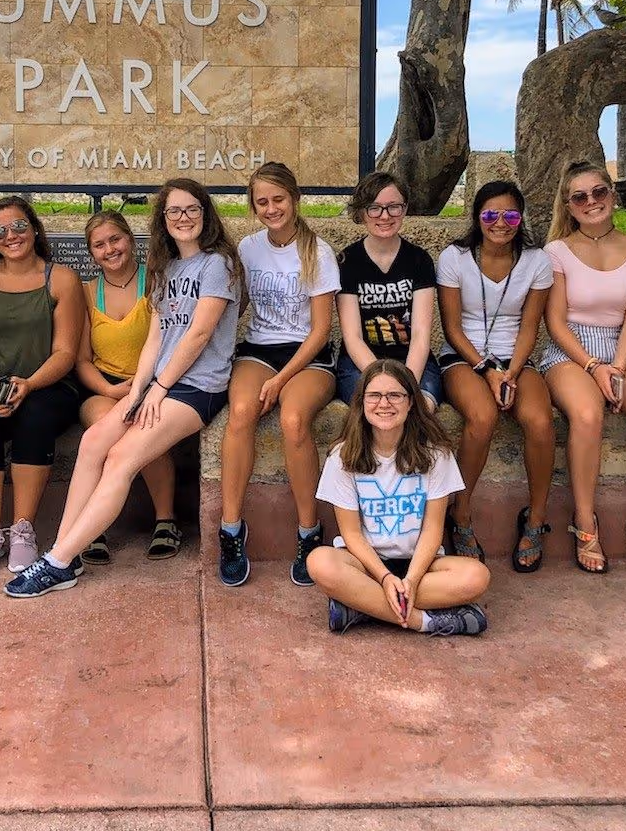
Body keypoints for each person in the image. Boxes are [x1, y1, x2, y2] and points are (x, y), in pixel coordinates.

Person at [3, 180, 240, 598]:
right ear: (163, 221)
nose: (182, 219)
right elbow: (156, 338)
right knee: (94, 440)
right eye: (173, 212)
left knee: (121, 458)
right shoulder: (167, 269)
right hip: (159, 385)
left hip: (196, 388)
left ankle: (55, 563)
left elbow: (199, 334)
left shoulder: (216, 264)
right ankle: (68, 551)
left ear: (205, 213)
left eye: (191, 210)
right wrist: (136, 393)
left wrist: (160, 387)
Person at [539, 161, 626, 575]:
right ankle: (584, 520)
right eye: (580, 196)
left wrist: (616, 365)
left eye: (599, 192)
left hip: (621, 348)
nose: (591, 202)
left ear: (613, 195)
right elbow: (555, 322)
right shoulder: (557, 252)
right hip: (571, 350)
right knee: (586, 414)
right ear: (569, 204)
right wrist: (594, 366)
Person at [219, 162, 341, 589]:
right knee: (239, 412)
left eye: (278, 199)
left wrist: (282, 379)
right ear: (253, 207)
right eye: (262, 202)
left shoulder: (318, 252)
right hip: (258, 349)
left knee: (292, 420)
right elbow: (238, 306)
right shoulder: (248, 249)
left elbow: (322, 329)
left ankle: (309, 533)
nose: (272, 208)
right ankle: (231, 529)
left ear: (295, 199)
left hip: (309, 356)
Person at [304, 360, 490, 635]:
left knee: (477, 577)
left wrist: (412, 580)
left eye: (395, 395)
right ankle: (425, 622)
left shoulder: (437, 455)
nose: (384, 404)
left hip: (421, 566)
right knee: (319, 563)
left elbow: (432, 530)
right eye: (375, 396)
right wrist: (385, 577)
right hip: (367, 565)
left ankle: (360, 606)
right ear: (362, 402)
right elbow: (352, 534)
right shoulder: (342, 456)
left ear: (411, 402)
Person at [0, 198, 84, 577]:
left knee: (34, 415)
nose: (10, 236)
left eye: (18, 227)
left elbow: (65, 351)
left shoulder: (60, 278)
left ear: (34, 229)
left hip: (48, 384)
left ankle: (23, 530)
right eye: (0, 230)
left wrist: (28, 384)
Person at [436, 180, 557, 571]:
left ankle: (536, 519)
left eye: (510, 215)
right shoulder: (454, 258)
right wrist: (488, 370)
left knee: (540, 422)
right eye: (490, 214)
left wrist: (511, 372)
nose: (500, 223)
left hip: (515, 358)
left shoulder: (537, 262)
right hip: (462, 356)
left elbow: (529, 327)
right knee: (482, 417)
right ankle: (462, 513)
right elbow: (452, 328)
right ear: (477, 217)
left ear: (521, 219)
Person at [72, 209, 181, 565]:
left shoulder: (155, 282)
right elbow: (82, 360)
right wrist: (112, 390)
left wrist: (141, 389)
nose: (110, 249)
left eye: (115, 239)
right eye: (99, 245)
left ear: (131, 240)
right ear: (92, 253)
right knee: (106, 424)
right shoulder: (87, 293)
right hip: (104, 389)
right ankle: (93, 528)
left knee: (145, 422)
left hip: (154, 384)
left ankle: (166, 520)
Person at [335, 171, 441, 407]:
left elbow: (421, 336)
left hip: (412, 359)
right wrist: (381, 380)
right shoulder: (348, 261)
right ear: (362, 212)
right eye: (375, 207)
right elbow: (352, 337)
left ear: (404, 210)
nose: (384, 216)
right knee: (375, 407)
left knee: (420, 408)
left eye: (394, 207)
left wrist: (406, 381)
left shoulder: (419, 260)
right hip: (360, 362)